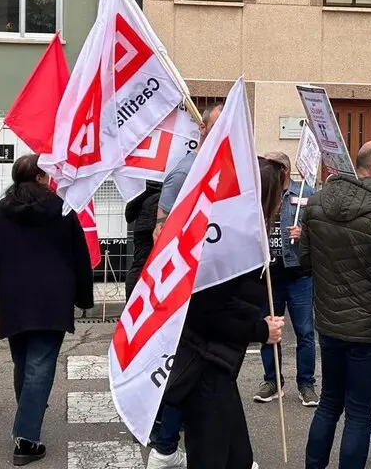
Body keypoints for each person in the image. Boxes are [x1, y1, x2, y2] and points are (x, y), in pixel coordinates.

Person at [301, 140, 371, 469]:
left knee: (328, 404)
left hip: (330, 324)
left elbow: (306, 262)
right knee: (358, 412)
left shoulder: (316, 203)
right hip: (370, 332)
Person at [163, 157, 285, 469]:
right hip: (206, 364)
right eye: (281, 194)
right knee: (213, 456)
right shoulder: (230, 240)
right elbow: (206, 311)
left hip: (220, 365)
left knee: (237, 457)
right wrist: (260, 330)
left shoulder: (240, 234)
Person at [0, 154, 94, 466]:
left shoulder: (1, 211)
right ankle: (27, 439)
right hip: (53, 296)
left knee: (25, 360)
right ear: (42, 178)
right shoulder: (62, 208)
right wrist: (83, 296)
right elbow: (80, 256)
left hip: (13, 296)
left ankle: (27, 418)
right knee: (40, 363)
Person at [148, 103, 223, 469]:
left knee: (208, 374)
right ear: (203, 131)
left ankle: (176, 447)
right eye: (219, 125)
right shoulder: (183, 173)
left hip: (220, 286)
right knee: (190, 370)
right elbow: (159, 232)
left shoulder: (233, 171)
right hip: (188, 291)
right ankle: (166, 446)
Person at [252, 151, 318, 408]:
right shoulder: (261, 192)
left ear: (284, 171)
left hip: (299, 274)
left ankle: (306, 384)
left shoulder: (306, 193)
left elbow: (320, 229)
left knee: (305, 332)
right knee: (269, 330)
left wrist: (305, 233)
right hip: (269, 274)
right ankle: (272, 381)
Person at [124, 181, 162, 300]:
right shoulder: (175, 178)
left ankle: (132, 304)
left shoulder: (143, 183)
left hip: (143, 225)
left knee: (139, 265)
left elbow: (129, 214)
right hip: (165, 220)